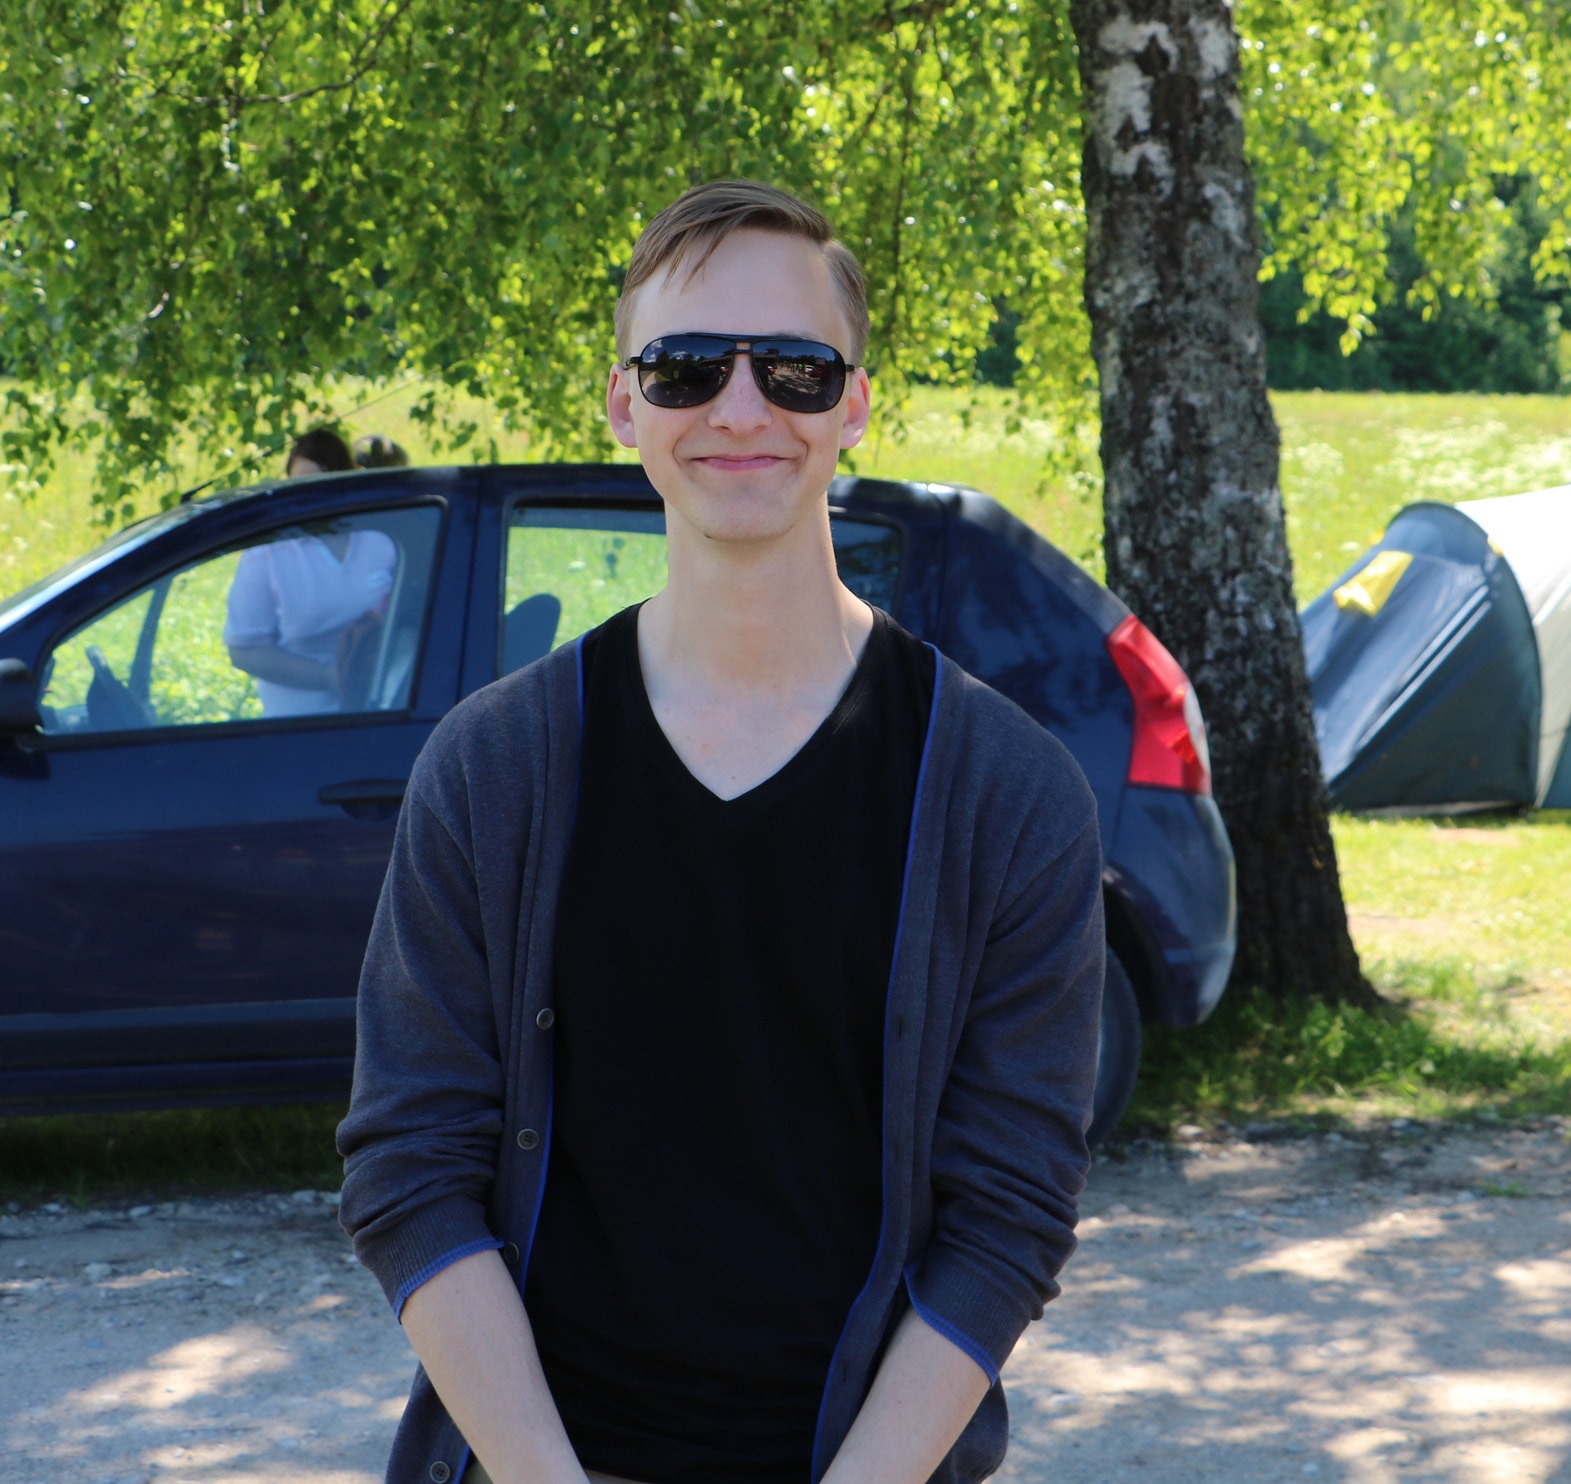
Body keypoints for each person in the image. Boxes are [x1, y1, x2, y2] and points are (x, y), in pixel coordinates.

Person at [336, 181, 1104, 1484]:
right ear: (623, 402)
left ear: (854, 405)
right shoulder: (493, 769)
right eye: (688, 366)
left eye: (795, 369)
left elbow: (1008, 1212)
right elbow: (410, 1166)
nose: (742, 409)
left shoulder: (1006, 793)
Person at [223, 431, 395, 715]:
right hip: (300, 725)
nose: (310, 497)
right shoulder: (268, 552)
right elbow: (244, 650)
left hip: (383, 712)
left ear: (345, 483)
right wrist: (329, 677)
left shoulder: (381, 537)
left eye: (321, 485)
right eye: (299, 486)